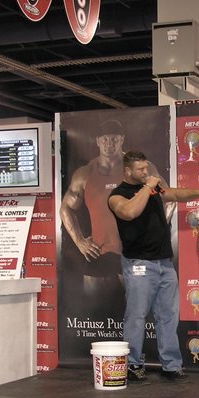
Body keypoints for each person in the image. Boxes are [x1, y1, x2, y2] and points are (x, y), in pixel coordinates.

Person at [108, 150, 199, 383]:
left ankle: (171, 365)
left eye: (146, 168)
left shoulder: (153, 188)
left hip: (165, 264)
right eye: (140, 169)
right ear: (127, 171)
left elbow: (175, 194)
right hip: (139, 265)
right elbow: (130, 212)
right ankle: (132, 365)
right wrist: (148, 187)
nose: (146, 172)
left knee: (168, 316)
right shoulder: (117, 195)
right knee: (136, 316)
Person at [61, 119, 127, 296]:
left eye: (114, 139)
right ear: (98, 141)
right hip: (99, 251)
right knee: (94, 307)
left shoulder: (137, 168)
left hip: (131, 252)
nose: (109, 144)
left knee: (139, 308)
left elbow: (167, 200)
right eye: (104, 139)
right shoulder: (85, 173)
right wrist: (79, 241)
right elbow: (65, 208)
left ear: (122, 139)